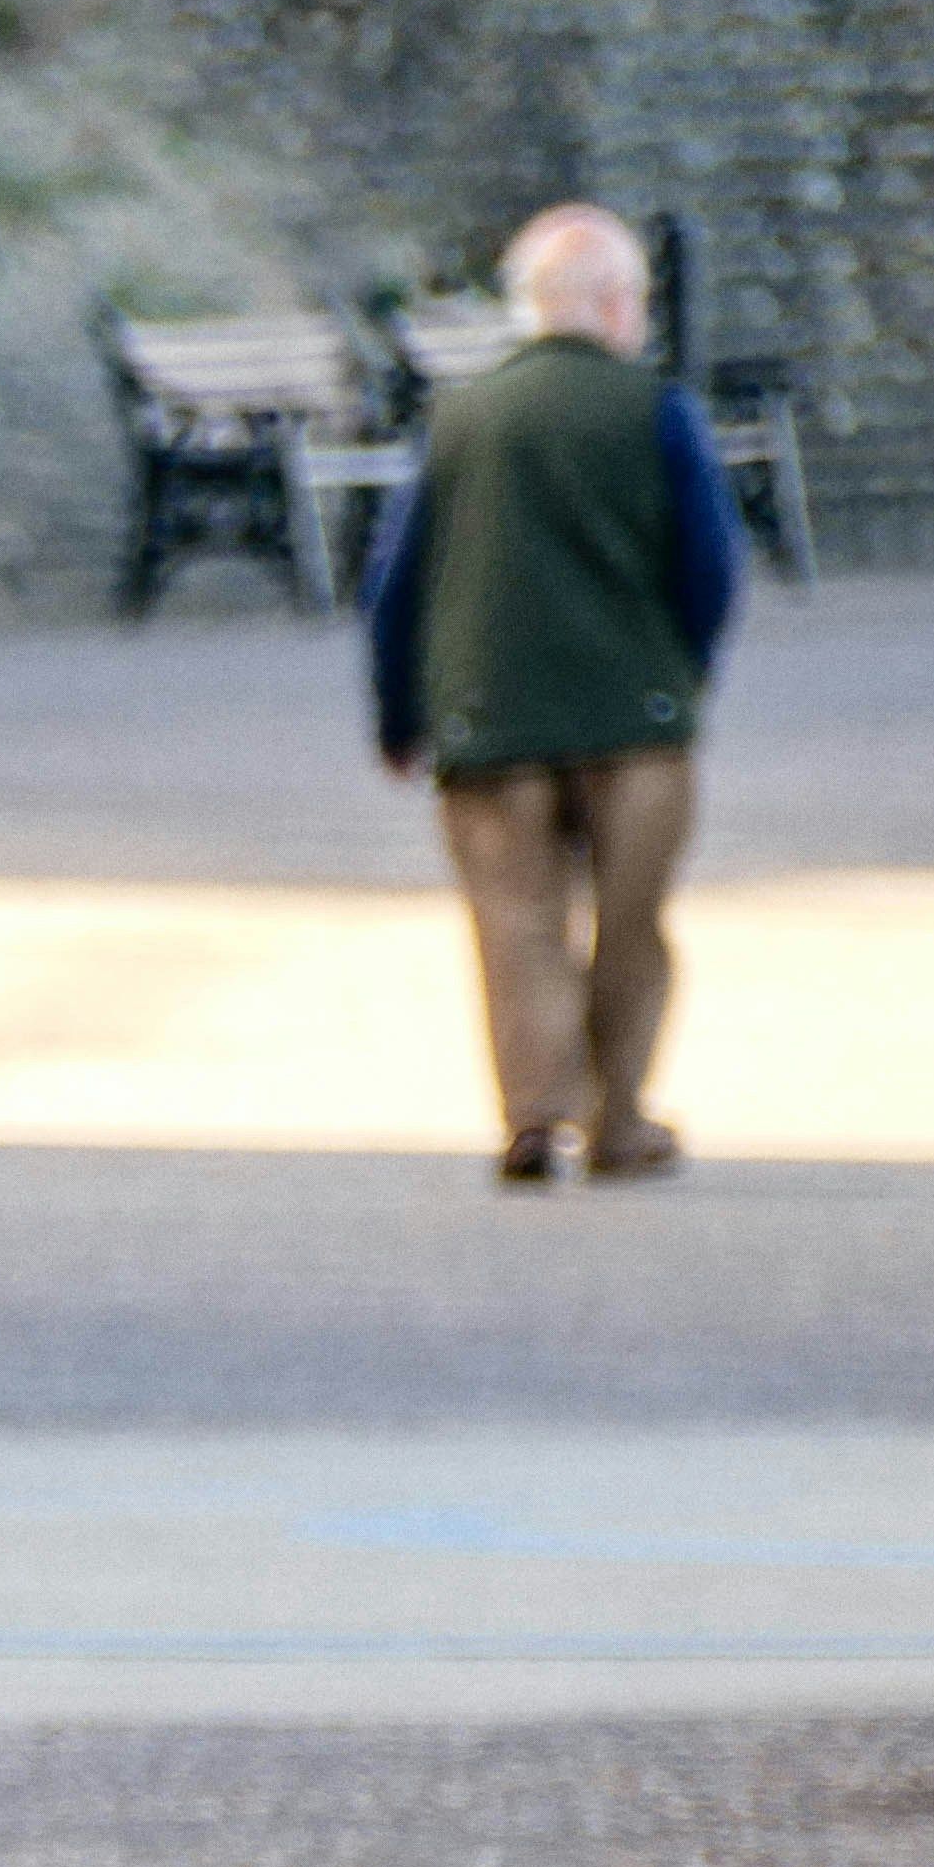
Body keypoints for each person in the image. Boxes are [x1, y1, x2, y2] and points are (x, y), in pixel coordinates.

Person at [362, 203, 744, 1186]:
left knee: (516, 922)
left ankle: (533, 1118)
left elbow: (395, 581)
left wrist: (399, 714)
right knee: (631, 926)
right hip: (637, 722)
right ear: (617, 302)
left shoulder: (460, 417)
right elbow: (710, 566)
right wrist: (679, 673)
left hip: (490, 721)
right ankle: (619, 1120)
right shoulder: (655, 408)